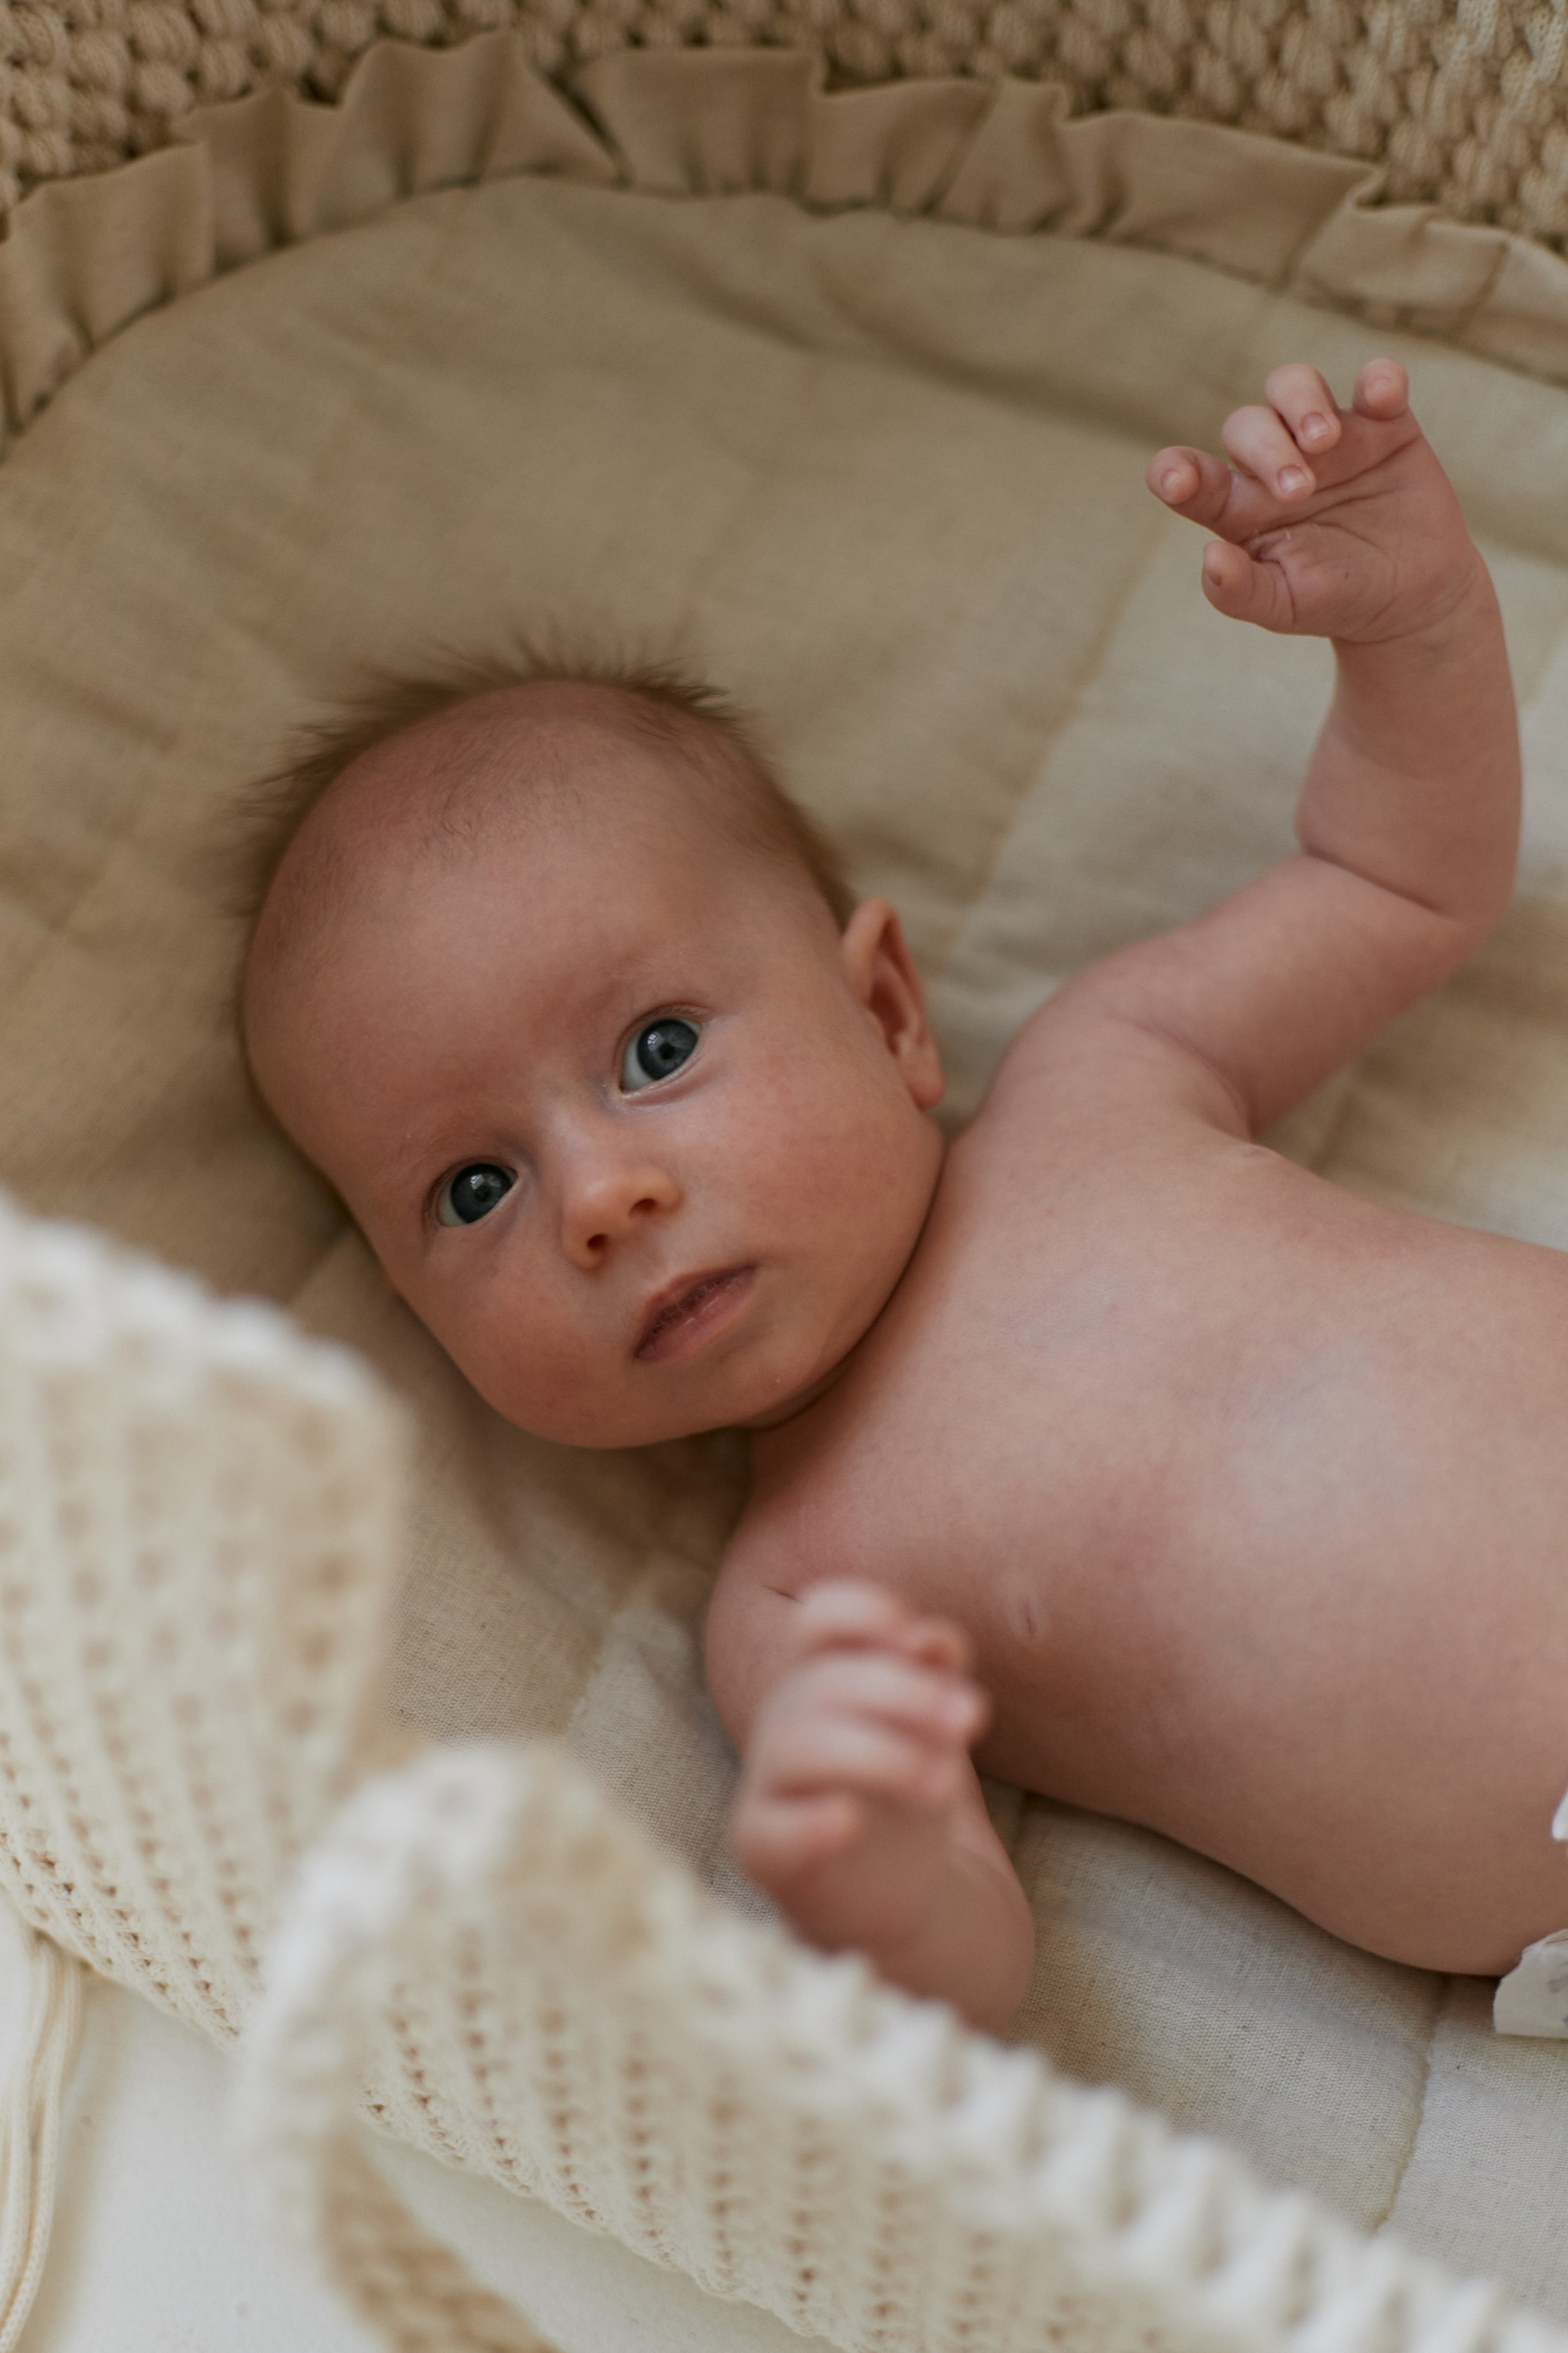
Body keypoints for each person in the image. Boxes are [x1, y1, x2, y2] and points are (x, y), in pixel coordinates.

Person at [240, 359, 1567, 2037]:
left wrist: (1414, 620)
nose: (600, 1198)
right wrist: (877, 1876)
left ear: (883, 1011)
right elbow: (974, 1967)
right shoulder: (799, 1601)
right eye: (475, 1186)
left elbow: (1397, 878)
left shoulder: (1108, 1072)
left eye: (656, 1049)